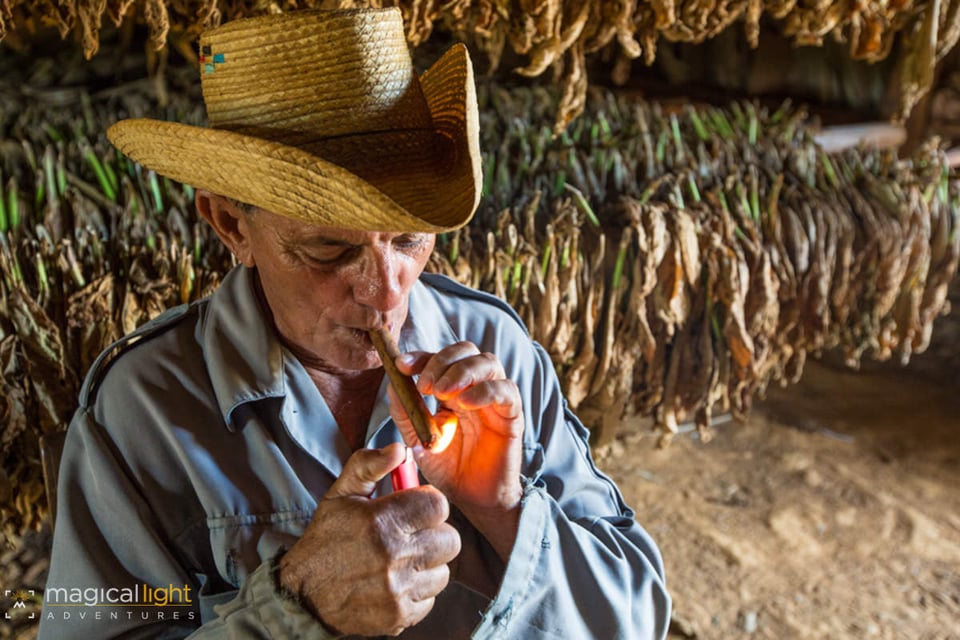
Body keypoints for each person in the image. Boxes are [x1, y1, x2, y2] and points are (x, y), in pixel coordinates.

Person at [39, 8, 670, 639]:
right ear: (232, 225)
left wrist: (503, 511)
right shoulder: (144, 408)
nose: (386, 290)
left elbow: (635, 619)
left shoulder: (494, 349)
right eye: (329, 251)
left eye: (408, 239)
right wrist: (295, 605)